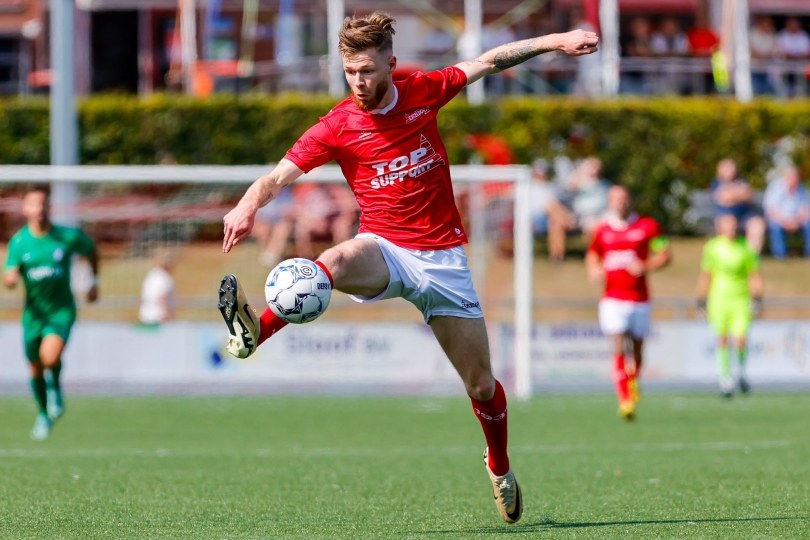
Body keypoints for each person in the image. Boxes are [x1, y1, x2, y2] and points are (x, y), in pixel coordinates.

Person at [217, 12, 599, 524]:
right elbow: (277, 177)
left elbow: (490, 59)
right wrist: (247, 206)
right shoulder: (337, 125)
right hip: (384, 248)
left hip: (443, 263)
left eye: (369, 71)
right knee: (326, 264)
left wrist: (559, 39)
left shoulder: (424, 89)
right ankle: (255, 334)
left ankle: (500, 466)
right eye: (351, 71)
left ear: (390, 65)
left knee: (482, 385)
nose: (359, 82)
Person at [3, 184, 99, 440]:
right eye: (34, 204)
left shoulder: (66, 237)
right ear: (25, 209)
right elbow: (9, 274)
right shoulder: (20, 241)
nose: (39, 209)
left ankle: (55, 385)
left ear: (49, 207)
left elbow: (90, 250)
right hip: (33, 315)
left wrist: (94, 281)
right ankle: (44, 414)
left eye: (43, 204)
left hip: (61, 311)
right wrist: (10, 278)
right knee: (34, 369)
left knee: (49, 356)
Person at [585, 186, 671, 420]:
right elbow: (593, 253)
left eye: (624, 199)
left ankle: (633, 381)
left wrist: (646, 266)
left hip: (640, 299)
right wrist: (593, 269)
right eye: (616, 199)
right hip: (612, 299)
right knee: (618, 345)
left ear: (630, 201)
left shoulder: (648, 227)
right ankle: (625, 399)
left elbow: (664, 253)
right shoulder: (602, 230)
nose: (620, 203)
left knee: (638, 350)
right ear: (610, 202)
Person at [696, 214, 764, 398]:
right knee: (722, 338)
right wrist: (701, 299)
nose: (732, 229)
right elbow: (706, 273)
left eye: (734, 225)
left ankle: (741, 373)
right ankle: (725, 378)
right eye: (728, 225)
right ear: (720, 227)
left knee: (741, 337)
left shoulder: (746, 248)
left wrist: (757, 297)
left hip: (741, 299)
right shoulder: (713, 247)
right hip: (719, 298)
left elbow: (754, 274)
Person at [710, 158, 765, 254]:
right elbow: (723, 198)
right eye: (727, 168)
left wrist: (732, 194)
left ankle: (751, 256)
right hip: (725, 216)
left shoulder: (743, 180)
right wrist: (739, 193)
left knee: (757, 224)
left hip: (745, 216)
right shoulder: (716, 183)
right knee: (728, 224)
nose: (730, 171)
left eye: (731, 168)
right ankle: (728, 254)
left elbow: (748, 195)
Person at [529, 158, 576, 262]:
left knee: (556, 224)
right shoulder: (527, 186)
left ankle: (557, 256)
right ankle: (569, 220)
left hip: (551, 217)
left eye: (544, 170)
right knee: (551, 207)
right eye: (540, 170)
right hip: (535, 219)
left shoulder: (549, 186)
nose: (543, 173)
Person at [762, 165, 810, 260]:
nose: (794, 180)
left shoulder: (802, 189)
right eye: (791, 178)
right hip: (779, 220)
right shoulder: (775, 188)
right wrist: (786, 221)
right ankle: (780, 255)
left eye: (796, 178)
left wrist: (797, 220)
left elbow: (806, 208)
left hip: (797, 220)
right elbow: (771, 210)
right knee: (774, 226)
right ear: (786, 177)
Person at [251, 186, 296, 268]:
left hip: (281, 222)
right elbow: (260, 214)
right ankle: (270, 255)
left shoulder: (286, 193)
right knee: (262, 229)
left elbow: (289, 212)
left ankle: (271, 256)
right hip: (266, 222)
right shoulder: (263, 194)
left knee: (282, 228)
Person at [138, 247, 177, 325]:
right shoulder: (164, 278)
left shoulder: (151, 275)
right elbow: (162, 297)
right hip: (158, 318)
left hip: (145, 316)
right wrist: (167, 315)